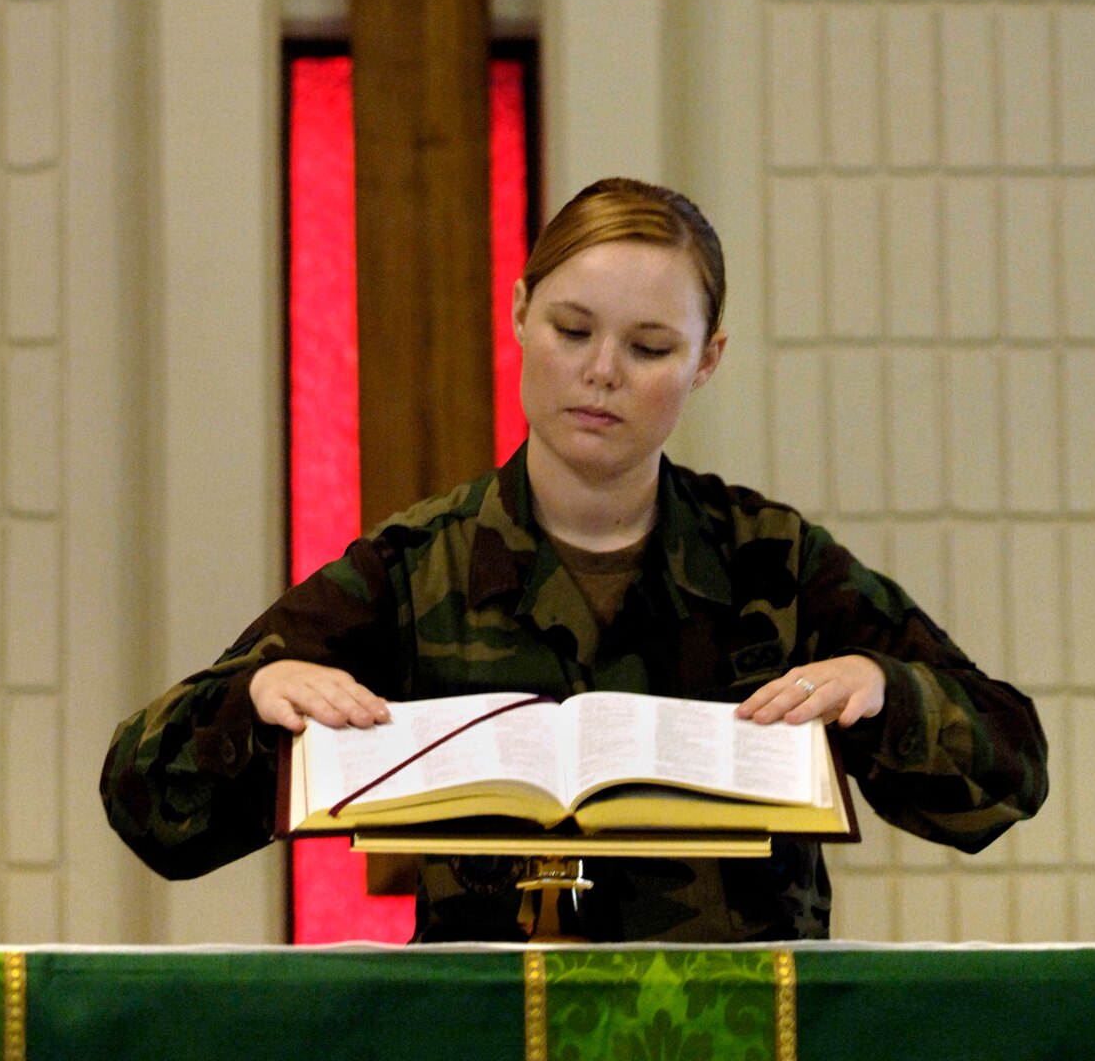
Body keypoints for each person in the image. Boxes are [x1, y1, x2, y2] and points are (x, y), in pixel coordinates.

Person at [101, 177, 1047, 941]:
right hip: (494, 1032)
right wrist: (255, 703)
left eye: (649, 346)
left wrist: (884, 689)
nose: (601, 372)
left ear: (706, 360)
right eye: (572, 330)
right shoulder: (415, 566)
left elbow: (1011, 771)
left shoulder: (775, 563)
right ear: (517, 314)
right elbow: (150, 810)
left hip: (729, 1035)